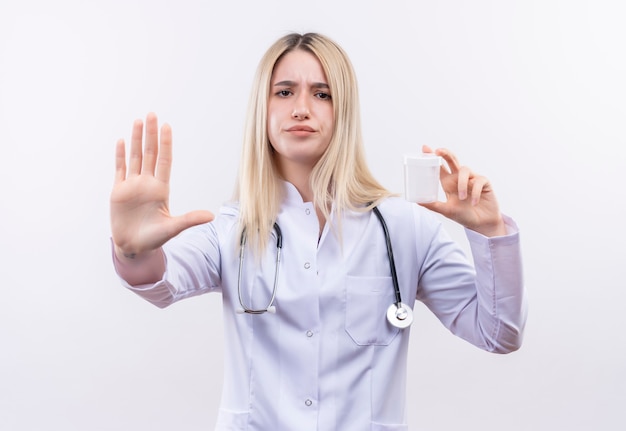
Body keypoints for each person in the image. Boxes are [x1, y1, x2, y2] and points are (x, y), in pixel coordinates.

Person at [110, 32, 527, 430]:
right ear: (264, 109)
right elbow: (161, 282)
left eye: (322, 94)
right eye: (284, 91)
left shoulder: (403, 228)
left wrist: (490, 230)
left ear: (343, 110)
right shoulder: (231, 229)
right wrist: (132, 251)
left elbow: (499, 334)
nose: (301, 108)